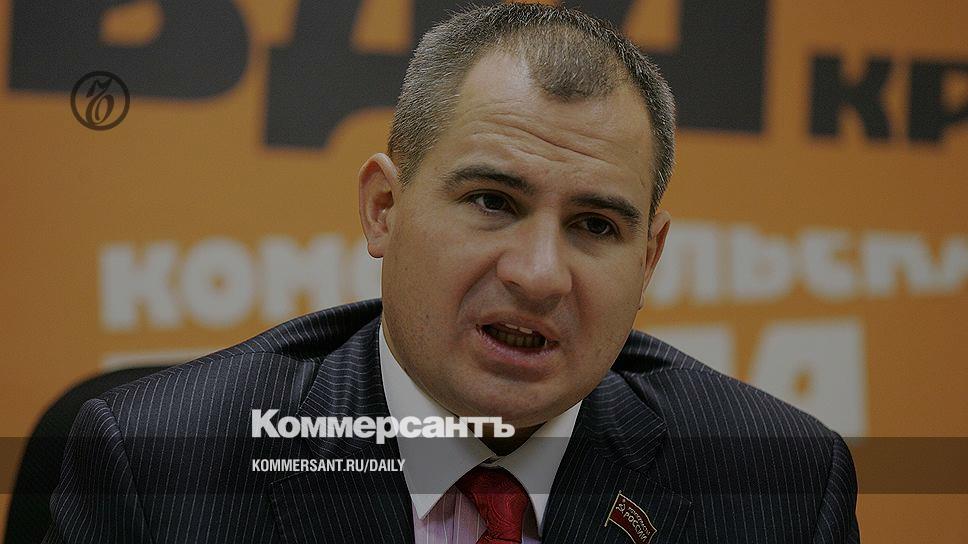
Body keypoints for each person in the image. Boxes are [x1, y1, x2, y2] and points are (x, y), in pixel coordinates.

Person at [44, 3, 859, 543]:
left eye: (595, 226)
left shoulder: (779, 488)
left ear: (648, 261)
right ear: (384, 209)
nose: (540, 276)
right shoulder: (163, 468)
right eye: (493, 202)